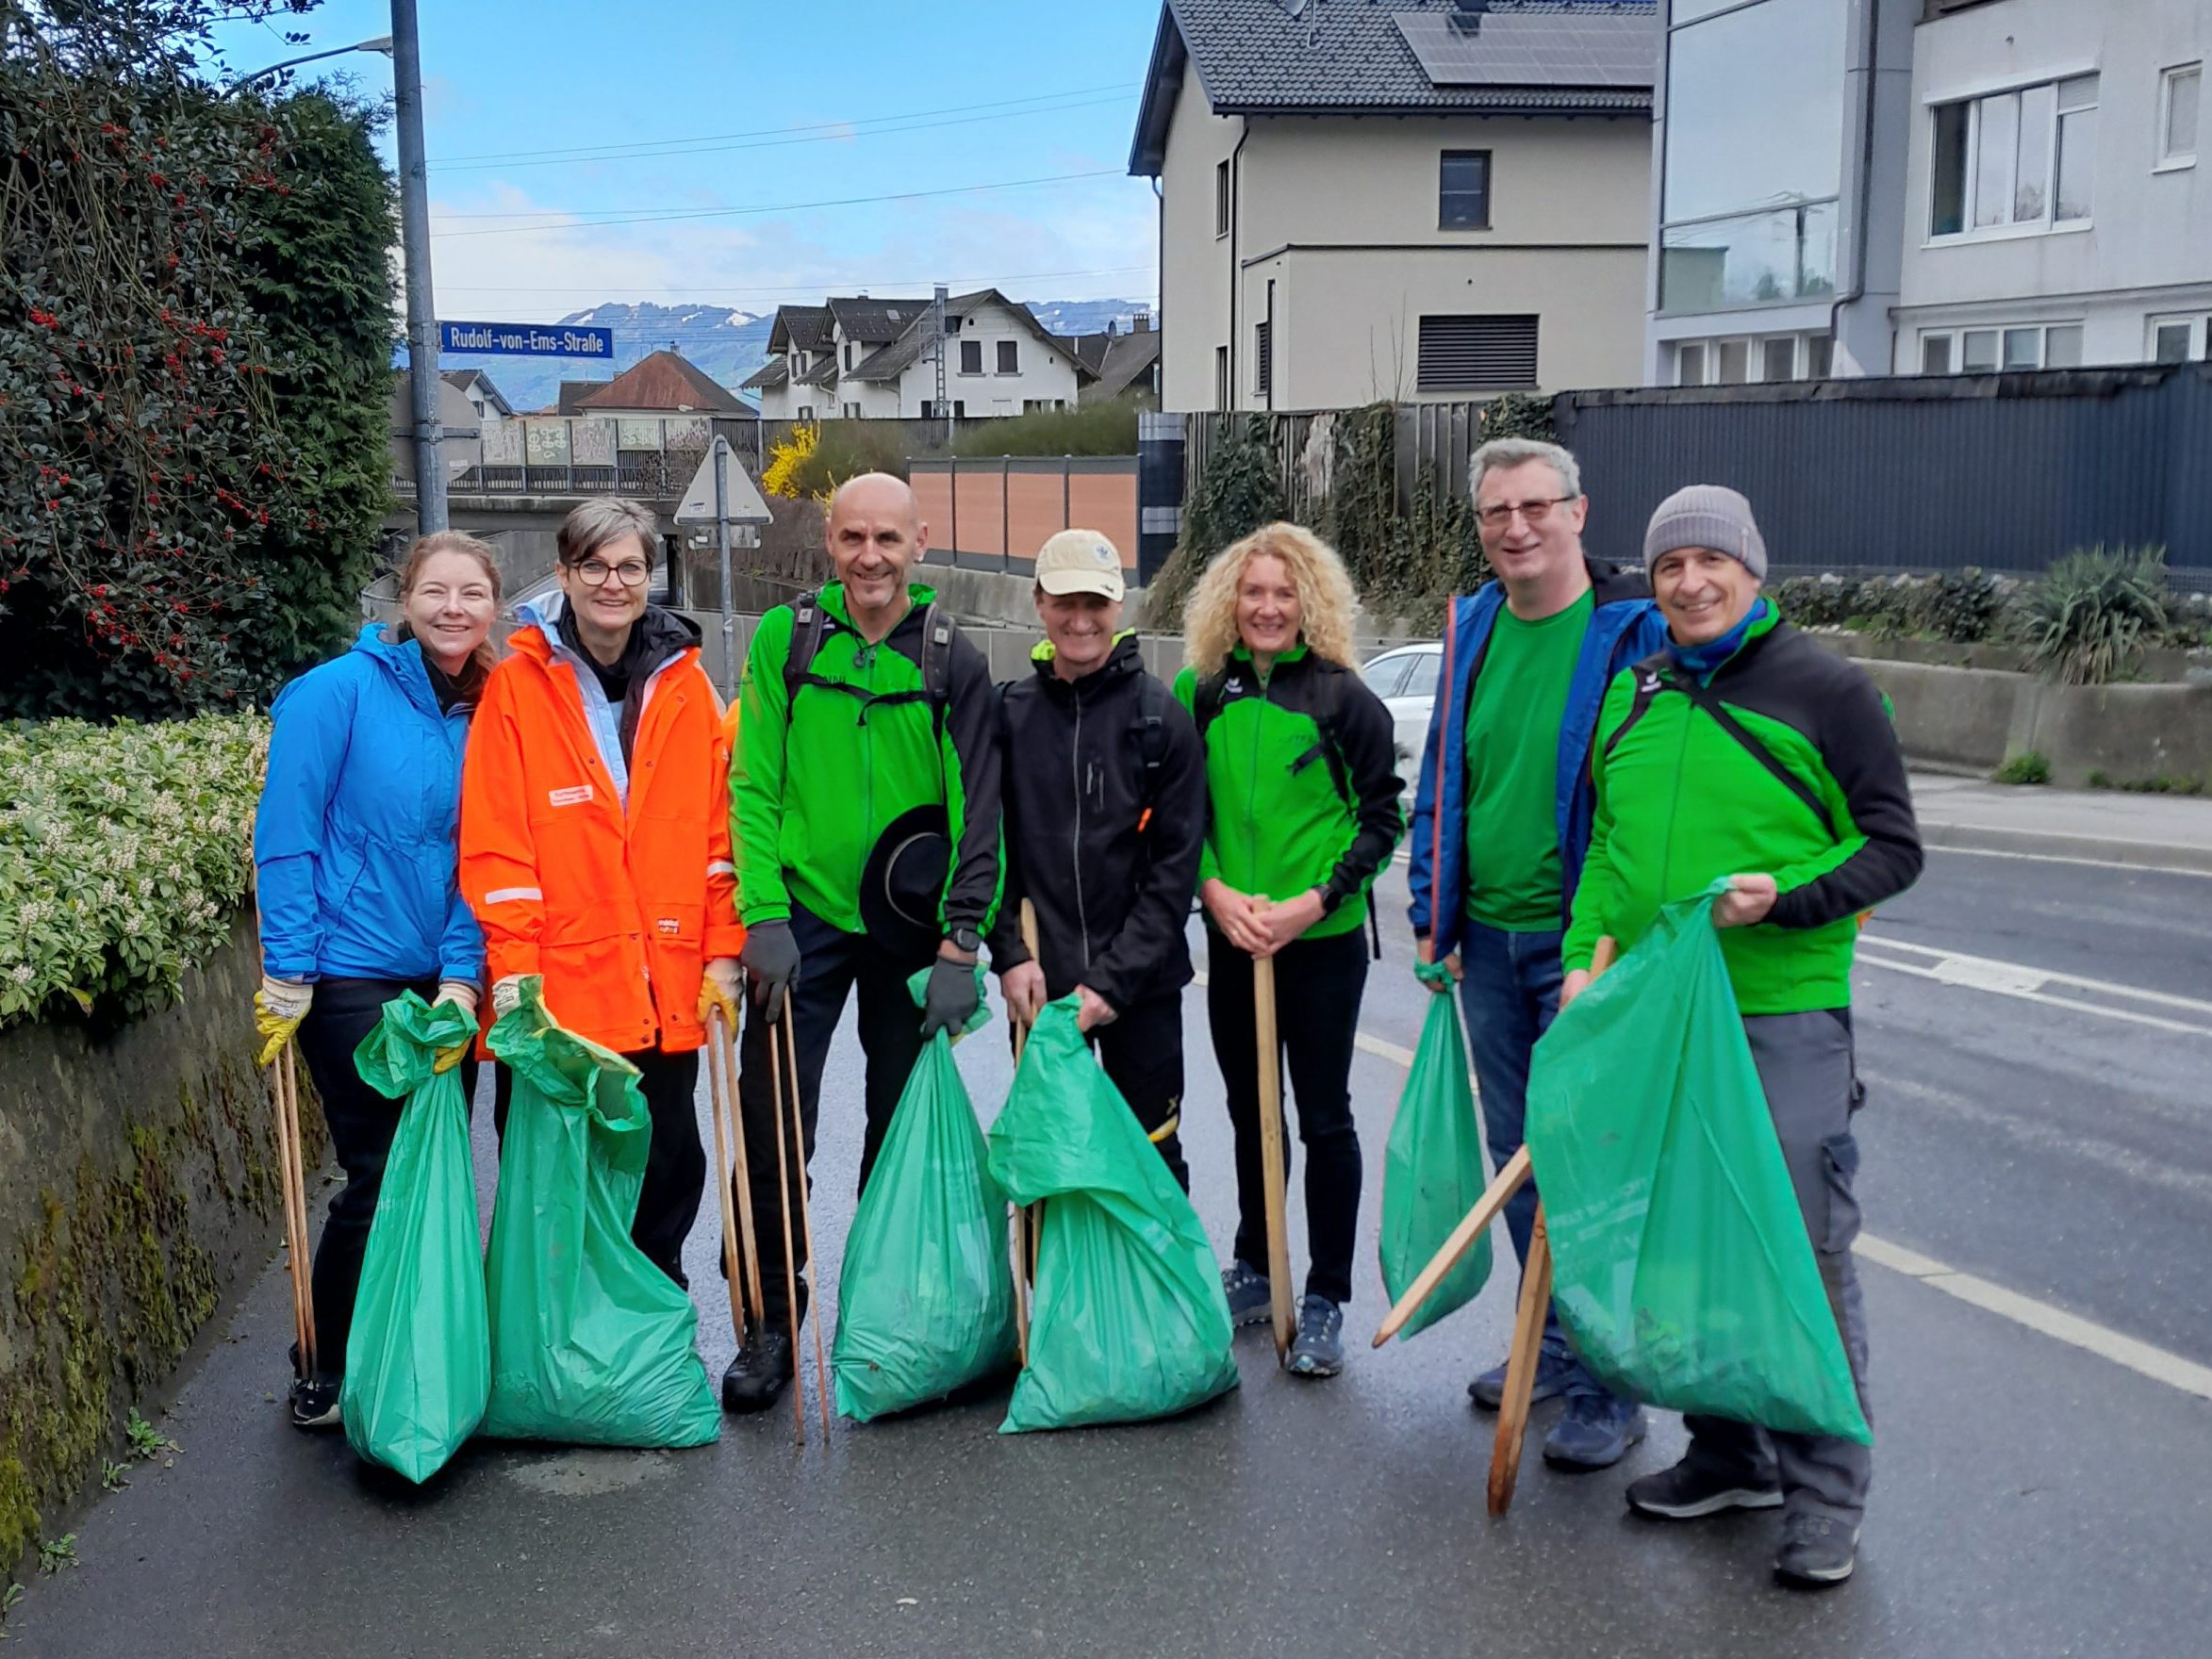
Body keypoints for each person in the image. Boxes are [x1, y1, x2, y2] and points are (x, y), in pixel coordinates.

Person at [1564, 485, 1922, 1588]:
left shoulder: (1828, 689)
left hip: (1779, 1017)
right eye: (1671, 565)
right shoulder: (1637, 692)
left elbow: (1892, 848)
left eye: (1712, 561)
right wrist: (1584, 959)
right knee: (1688, 1244)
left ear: (1753, 572)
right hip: (1657, 1019)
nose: (1690, 581)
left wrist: (1790, 897)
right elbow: (1607, 859)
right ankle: (1729, 1451)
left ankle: (1825, 1497)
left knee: (1797, 1254)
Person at [1405, 436, 1670, 1470]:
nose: (1515, 527)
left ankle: (1611, 1384)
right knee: (1520, 1166)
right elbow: (1445, 780)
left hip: (1583, 951)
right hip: (1490, 946)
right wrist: (1434, 912)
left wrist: (1610, 946)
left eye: (1534, 507)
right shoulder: (1472, 624)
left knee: (1589, 1168)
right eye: (1495, 513)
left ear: (1578, 511)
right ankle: (1550, 1348)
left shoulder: (1628, 635)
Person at [721, 472, 1003, 1412]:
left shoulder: (953, 657)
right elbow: (753, 783)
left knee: (896, 1125)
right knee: (773, 1125)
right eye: (853, 538)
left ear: (919, 542)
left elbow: (979, 816)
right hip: (800, 916)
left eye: (889, 537)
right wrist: (761, 915)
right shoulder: (785, 640)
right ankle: (771, 1317)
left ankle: (890, 1308)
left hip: (910, 929)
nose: (871, 555)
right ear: (829, 544)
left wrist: (962, 946)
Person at [459, 497, 744, 1290]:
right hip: (558, 993)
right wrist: (512, 972)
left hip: (665, 982)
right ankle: (560, 1345)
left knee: (665, 1166)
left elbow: (717, 842)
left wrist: (724, 955)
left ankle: (652, 1335)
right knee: (555, 1178)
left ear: (650, 578)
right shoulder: (517, 688)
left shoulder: (689, 687)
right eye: (595, 566)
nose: (613, 583)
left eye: (629, 567)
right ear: (564, 573)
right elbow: (497, 842)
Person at [252, 531, 501, 1429]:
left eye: (471, 593)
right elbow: (287, 831)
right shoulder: (334, 694)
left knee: (435, 1166)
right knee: (380, 1166)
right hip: (351, 974)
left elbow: (491, 855)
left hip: (446, 978)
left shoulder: (496, 708)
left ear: (493, 607)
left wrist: (465, 977)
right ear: (405, 600)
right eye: (436, 590)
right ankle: (323, 1361)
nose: (452, 609)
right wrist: (290, 967)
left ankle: (410, 1349)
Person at [1173, 522, 1402, 1380]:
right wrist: (1215, 892)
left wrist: (1311, 905)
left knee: (1325, 1116)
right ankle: (1260, 1266)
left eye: (1283, 593)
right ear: (1230, 603)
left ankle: (1327, 1296)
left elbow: (1383, 820)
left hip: (1319, 943)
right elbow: (1179, 814)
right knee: (1248, 1111)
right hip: (1234, 938)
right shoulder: (1204, 694)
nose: (1267, 608)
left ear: (1310, 602)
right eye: (1253, 592)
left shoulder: (1345, 701)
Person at [992, 530, 1206, 1187]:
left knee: (1150, 1156)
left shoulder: (1160, 720)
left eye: (1096, 602)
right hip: (1042, 987)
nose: (1081, 619)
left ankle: (1155, 1290)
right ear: (1038, 603)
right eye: (1065, 601)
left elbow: (1174, 876)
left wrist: (1109, 985)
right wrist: (1009, 954)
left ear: (1120, 607)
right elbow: (989, 850)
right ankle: (1057, 1289)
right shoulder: (1011, 715)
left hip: (1142, 988)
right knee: (1051, 1159)